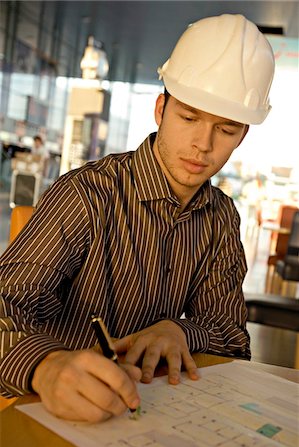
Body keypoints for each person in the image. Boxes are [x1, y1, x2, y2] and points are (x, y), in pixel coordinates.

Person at [0, 14, 275, 423]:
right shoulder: (87, 194)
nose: (203, 145)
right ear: (161, 108)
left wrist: (181, 330)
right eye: (188, 118)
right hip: (63, 412)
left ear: (243, 135)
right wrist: (48, 365)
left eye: (226, 129)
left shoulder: (220, 219)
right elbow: (7, 305)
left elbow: (232, 338)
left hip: (160, 417)